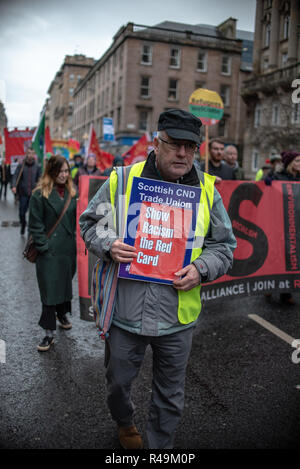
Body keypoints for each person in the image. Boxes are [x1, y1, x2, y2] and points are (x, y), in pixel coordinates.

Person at [79, 109, 236, 449]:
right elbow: (91, 225)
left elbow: (224, 247)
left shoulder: (208, 190)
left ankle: (158, 447)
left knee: (171, 394)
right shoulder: (122, 180)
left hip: (178, 318)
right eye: (175, 144)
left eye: (190, 147)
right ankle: (124, 423)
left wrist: (201, 269)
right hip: (125, 314)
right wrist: (109, 245)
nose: (183, 154)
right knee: (118, 384)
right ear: (156, 143)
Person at [28, 155, 77, 351]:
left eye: (66, 171)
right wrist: (43, 246)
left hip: (67, 250)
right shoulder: (39, 194)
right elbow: (35, 224)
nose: (64, 175)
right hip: (48, 252)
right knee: (49, 291)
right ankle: (48, 333)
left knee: (64, 285)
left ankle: (62, 313)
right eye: (60, 171)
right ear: (51, 172)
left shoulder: (73, 194)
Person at [264, 150, 300, 305]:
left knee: (292, 256)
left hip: (296, 223)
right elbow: (268, 194)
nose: (299, 164)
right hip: (280, 223)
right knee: (277, 256)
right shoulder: (279, 177)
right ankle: (269, 284)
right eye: (297, 161)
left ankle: (286, 292)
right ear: (290, 163)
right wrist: (268, 181)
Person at [11, 147, 41, 234]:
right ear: (26, 154)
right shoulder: (21, 165)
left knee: (32, 214)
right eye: (29, 153)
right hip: (23, 194)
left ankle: (30, 230)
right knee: (21, 213)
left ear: (34, 154)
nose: (30, 155)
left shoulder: (37, 166)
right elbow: (15, 176)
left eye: (32, 153)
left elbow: (40, 178)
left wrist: (39, 187)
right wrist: (14, 186)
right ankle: (23, 224)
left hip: (33, 194)